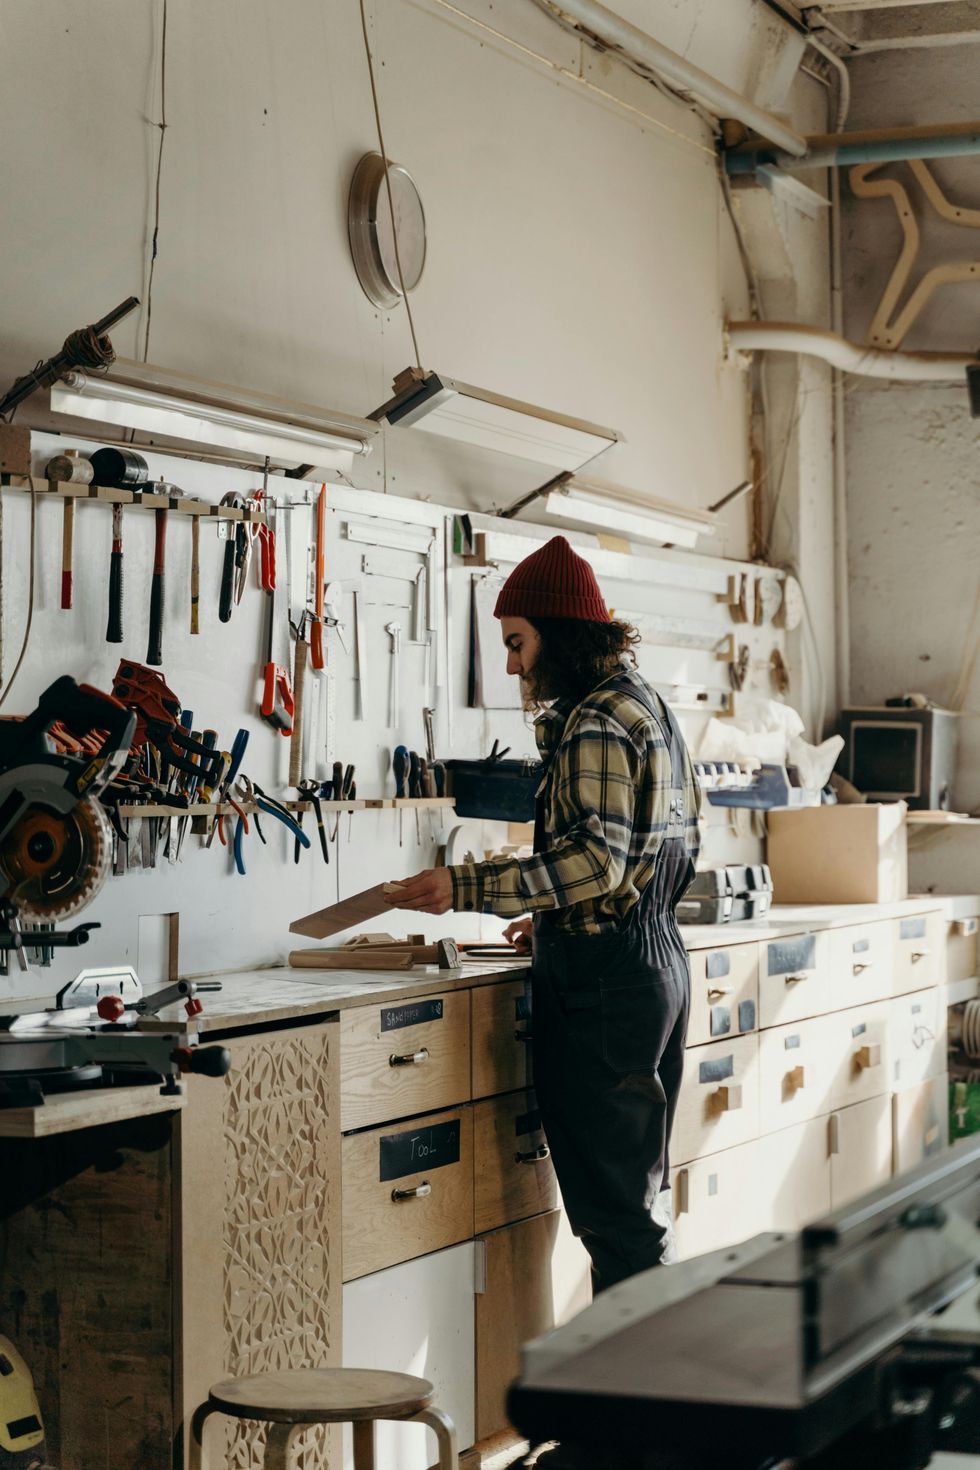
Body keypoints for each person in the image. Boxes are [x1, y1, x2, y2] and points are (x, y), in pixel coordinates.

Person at [386, 534, 701, 1290]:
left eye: (518, 642)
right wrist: (567, 916)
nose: (512, 665)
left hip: (606, 988)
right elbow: (663, 851)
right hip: (652, 966)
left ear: (559, 633)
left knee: (617, 1222)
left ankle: (637, 1406)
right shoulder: (646, 703)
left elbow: (597, 860)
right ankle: (643, 1397)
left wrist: (463, 888)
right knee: (633, 1208)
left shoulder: (596, 718)